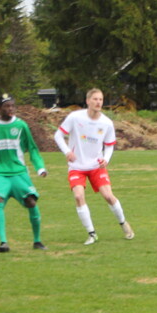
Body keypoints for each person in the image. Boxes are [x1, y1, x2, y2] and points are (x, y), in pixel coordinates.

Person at [53, 88, 136, 245]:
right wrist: (67, 152)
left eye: (101, 99)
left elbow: (109, 145)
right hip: (76, 166)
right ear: (88, 101)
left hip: (96, 166)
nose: (98, 102)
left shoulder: (106, 123)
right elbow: (58, 135)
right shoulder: (75, 117)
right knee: (78, 196)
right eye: (95, 99)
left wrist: (106, 159)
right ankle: (92, 233)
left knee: (108, 196)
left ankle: (123, 223)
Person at [0, 93, 49, 253]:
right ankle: (3, 242)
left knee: (31, 202)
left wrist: (40, 167)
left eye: (12, 106)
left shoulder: (21, 125)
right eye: (6, 106)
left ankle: (37, 241)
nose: (10, 109)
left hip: (18, 172)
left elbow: (32, 148)